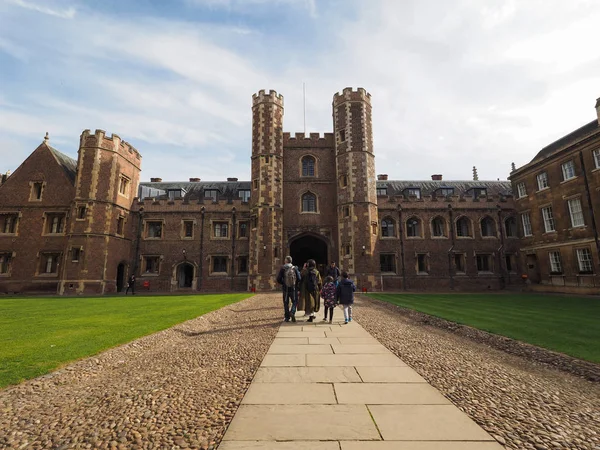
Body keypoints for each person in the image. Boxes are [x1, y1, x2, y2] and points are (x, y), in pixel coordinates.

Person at [276, 256, 301, 322]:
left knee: (286, 303)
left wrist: (283, 283)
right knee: (295, 301)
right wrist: (295, 284)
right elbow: (299, 278)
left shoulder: (283, 268)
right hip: (293, 288)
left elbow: (278, 279)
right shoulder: (295, 268)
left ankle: (287, 317)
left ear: (286, 261)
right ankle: (292, 312)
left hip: (285, 289)